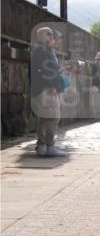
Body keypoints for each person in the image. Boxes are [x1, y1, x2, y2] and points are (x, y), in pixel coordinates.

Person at [30, 26, 65, 156]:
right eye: (49, 34)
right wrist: (52, 86)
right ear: (42, 36)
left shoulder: (42, 50)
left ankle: (42, 146)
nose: (52, 37)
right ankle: (49, 146)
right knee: (53, 117)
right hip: (47, 89)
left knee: (43, 118)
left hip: (41, 89)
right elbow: (46, 71)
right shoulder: (44, 50)